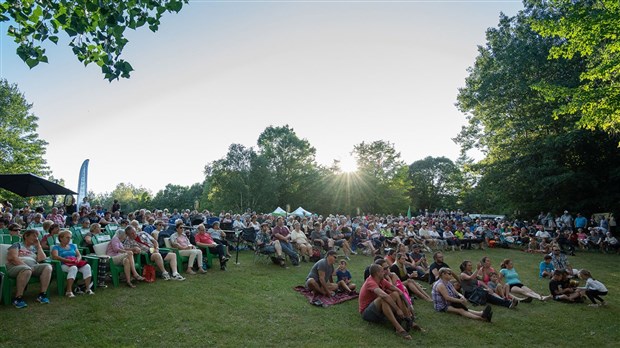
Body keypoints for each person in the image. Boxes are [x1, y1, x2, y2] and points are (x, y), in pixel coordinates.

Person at [359, 263, 419, 340]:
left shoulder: (381, 279)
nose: (384, 272)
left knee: (395, 294)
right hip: (366, 312)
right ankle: (399, 328)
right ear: (377, 273)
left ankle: (409, 320)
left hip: (377, 308)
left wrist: (406, 303)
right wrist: (397, 309)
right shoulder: (370, 282)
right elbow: (384, 296)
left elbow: (394, 288)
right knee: (383, 299)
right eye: (382, 270)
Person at [5, 229, 53, 308]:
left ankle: (42, 295)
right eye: (34, 235)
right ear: (26, 236)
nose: (36, 238)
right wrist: (27, 267)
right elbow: (12, 258)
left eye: (37, 236)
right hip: (15, 266)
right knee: (26, 270)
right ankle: (18, 298)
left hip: (32, 267)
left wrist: (39, 246)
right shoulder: (17, 244)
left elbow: (41, 259)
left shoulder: (34, 248)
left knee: (47, 267)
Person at [51, 230, 94, 297]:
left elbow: (79, 255)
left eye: (70, 238)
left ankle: (87, 288)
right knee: (73, 268)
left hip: (74, 262)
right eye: (67, 237)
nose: (69, 239)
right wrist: (66, 260)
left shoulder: (72, 246)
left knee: (87, 266)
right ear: (61, 238)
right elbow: (55, 256)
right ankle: (69, 291)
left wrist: (78, 259)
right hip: (63, 264)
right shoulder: (56, 247)